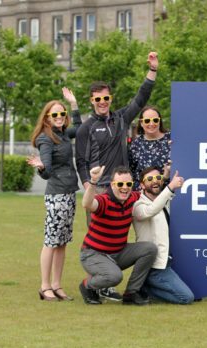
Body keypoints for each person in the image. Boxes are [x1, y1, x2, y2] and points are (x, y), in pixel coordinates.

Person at [75, 51, 158, 301]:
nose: (103, 102)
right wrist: (88, 184)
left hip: (124, 187)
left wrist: (152, 71)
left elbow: (140, 99)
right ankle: (100, 282)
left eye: (106, 97)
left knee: (122, 237)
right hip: (100, 189)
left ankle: (126, 287)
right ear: (91, 101)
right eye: (98, 99)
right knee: (99, 241)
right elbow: (80, 160)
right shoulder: (86, 128)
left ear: (110, 98)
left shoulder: (121, 118)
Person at [27, 88, 81, 302]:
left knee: (62, 242)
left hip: (69, 193)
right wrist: (40, 166)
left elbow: (79, 127)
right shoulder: (45, 139)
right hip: (57, 196)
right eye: (55, 115)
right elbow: (47, 172)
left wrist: (74, 104)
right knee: (51, 241)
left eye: (62, 114)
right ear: (47, 118)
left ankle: (57, 285)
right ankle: (45, 286)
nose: (60, 118)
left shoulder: (64, 134)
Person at [78, 165, 157, 305]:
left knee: (149, 249)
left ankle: (131, 293)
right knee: (114, 276)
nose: (124, 187)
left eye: (128, 184)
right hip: (93, 254)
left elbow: (153, 194)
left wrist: (168, 179)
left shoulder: (133, 197)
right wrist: (93, 181)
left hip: (118, 252)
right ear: (112, 185)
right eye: (120, 184)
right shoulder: (104, 200)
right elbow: (87, 204)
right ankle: (87, 286)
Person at [132, 166, 195, 304]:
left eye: (158, 178)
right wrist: (170, 187)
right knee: (187, 298)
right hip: (154, 267)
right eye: (149, 179)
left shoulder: (163, 202)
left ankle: (148, 287)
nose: (154, 181)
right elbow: (151, 210)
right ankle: (146, 289)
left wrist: (167, 175)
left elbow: (160, 199)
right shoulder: (138, 206)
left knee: (195, 295)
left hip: (166, 263)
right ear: (142, 185)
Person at [129, 106, 171, 190]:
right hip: (144, 196)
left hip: (169, 192)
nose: (151, 124)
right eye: (147, 121)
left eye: (155, 120)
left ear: (160, 121)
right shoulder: (136, 145)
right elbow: (132, 172)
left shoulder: (172, 139)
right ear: (141, 123)